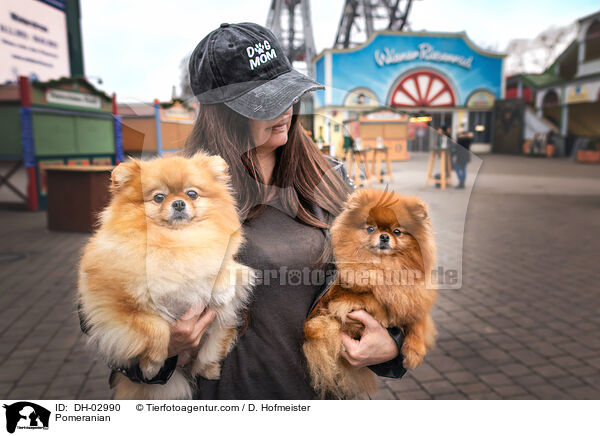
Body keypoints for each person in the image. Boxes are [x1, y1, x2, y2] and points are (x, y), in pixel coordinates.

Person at [82, 22, 406, 400]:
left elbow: (388, 278)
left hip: (320, 393)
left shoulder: (332, 179)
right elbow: (100, 300)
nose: (285, 110)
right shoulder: (178, 188)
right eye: (264, 103)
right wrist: (161, 346)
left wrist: (392, 345)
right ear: (219, 112)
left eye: (288, 94)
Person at [452, 125, 473, 189]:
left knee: (457, 168)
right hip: (466, 156)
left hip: (461, 156)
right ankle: (462, 183)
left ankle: (461, 182)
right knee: (463, 169)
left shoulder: (460, 139)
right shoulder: (468, 139)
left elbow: (456, 148)